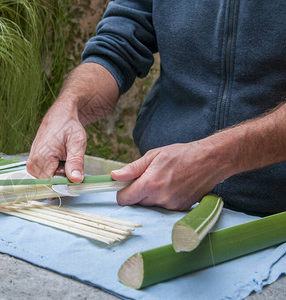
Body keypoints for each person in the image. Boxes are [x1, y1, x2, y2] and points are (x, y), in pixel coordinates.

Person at [27, 0, 286, 215]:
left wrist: (214, 159)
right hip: (159, 203)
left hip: (274, 216)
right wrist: (69, 107)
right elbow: (118, 46)